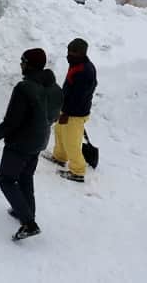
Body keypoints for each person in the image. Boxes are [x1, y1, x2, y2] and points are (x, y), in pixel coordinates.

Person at [0, 48, 63, 240]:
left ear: (29, 64)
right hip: (40, 140)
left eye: (23, 61)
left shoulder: (24, 89)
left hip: (21, 143)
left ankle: (29, 223)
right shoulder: (56, 89)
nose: (21, 64)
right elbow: (53, 116)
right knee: (26, 177)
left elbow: (12, 122)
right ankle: (26, 212)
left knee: (7, 179)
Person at [47, 37, 97, 183]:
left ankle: (78, 171)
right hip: (68, 108)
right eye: (68, 51)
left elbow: (79, 97)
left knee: (71, 142)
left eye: (73, 53)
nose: (69, 55)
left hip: (75, 113)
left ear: (82, 53)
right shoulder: (77, 63)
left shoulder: (85, 71)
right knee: (59, 131)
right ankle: (60, 157)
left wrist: (67, 113)